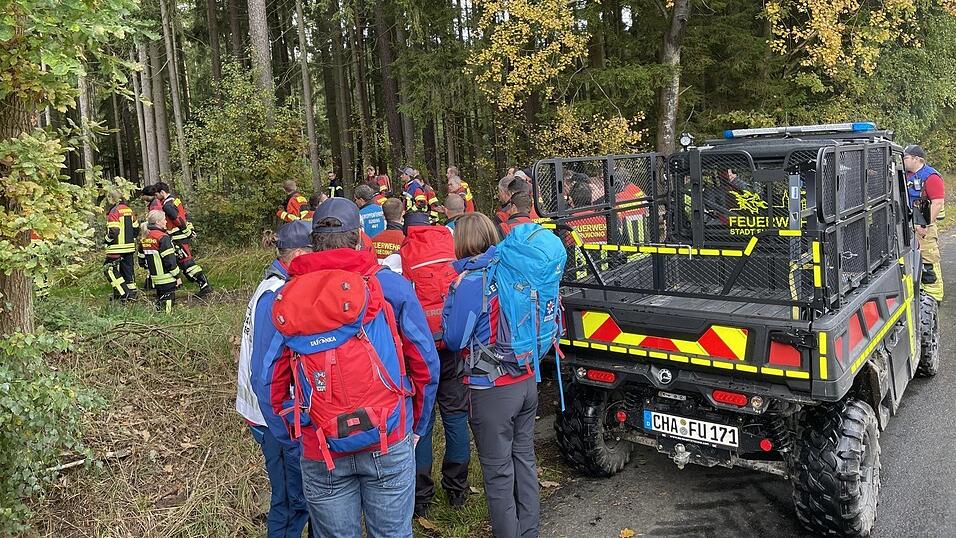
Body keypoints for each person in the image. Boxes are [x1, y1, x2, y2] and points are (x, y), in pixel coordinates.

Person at [261, 198, 439, 538]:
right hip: (388, 433)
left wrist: (294, 436)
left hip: (321, 444)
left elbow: (268, 380)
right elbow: (425, 363)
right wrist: (417, 423)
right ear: (360, 236)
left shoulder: (286, 297)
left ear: (313, 243)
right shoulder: (389, 286)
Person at [441, 213, 540, 538]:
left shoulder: (470, 282)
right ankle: (529, 531)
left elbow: (455, 339)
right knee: (524, 459)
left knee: (498, 473)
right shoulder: (513, 268)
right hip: (526, 376)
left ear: (461, 241)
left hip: (492, 386)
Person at [238, 220, 314, 538]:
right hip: (272, 420)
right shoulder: (275, 294)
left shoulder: (276, 285)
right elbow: (265, 374)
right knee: (291, 504)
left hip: (270, 414)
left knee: (296, 500)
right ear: (296, 255)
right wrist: (285, 427)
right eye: (312, 254)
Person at [399, 213, 471, 518]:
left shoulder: (403, 254)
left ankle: (422, 495)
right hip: (452, 344)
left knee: (423, 422)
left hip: (420, 349)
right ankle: (457, 490)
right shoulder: (449, 243)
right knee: (455, 417)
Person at [154, 182, 213, 297]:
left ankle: (204, 285)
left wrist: (187, 231)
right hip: (182, 235)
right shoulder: (175, 200)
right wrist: (190, 229)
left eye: (157, 195)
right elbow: (184, 216)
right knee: (183, 262)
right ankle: (200, 284)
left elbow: (178, 219)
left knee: (186, 263)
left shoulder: (167, 205)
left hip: (177, 238)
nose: (156, 197)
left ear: (162, 192)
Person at [904, 144, 945, 302]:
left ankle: (934, 298)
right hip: (907, 222)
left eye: (906, 157)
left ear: (916, 159)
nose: (903, 160)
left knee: (928, 259)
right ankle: (919, 293)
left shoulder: (931, 177)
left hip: (923, 222)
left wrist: (924, 225)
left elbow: (937, 203)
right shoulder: (904, 175)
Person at [139, 210, 181, 312]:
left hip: (155, 278)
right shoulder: (162, 237)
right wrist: (177, 276)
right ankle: (166, 324)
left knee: (160, 303)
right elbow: (170, 261)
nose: (166, 222)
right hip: (167, 277)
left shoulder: (145, 236)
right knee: (167, 305)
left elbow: (141, 260)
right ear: (158, 222)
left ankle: (157, 322)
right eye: (164, 220)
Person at [103, 190, 139, 301]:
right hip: (129, 248)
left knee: (109, 269)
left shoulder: (114, 211)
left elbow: (114, 231)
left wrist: (107, 240)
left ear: (112, 199)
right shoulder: (129, 210)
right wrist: (130, 240)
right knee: (128, 271)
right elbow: (136, 228)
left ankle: (123, 293)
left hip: (116, 248)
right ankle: (131, 294)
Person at [372, 198, 406, 273]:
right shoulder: (405, 241)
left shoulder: (373, 240)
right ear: (403, 213)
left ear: (383, 216)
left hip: (377, 281)